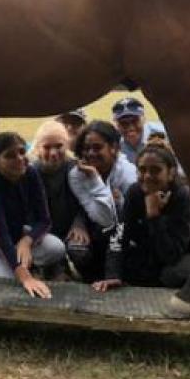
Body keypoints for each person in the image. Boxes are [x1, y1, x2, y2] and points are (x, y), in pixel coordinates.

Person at [92, 144, 190, 292]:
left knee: (171, 274)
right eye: (142, 170)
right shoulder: (135, 193)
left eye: (155, 170)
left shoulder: (182, 197)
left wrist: (154, 216)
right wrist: (113, 275)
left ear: (171, 173)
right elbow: (120, 236)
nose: (147, 176)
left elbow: (172, 254)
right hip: (150, 250)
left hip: (183, 253)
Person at [0, 132, 67, 299]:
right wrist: (25, 277)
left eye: (21, 151)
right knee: (0, 280)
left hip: (20, 236)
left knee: (57, 248)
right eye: (10, 156)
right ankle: (20, 267)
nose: (19, 158)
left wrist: (27, 241)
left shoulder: (31, 173)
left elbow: (44, 220)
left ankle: (26, 264)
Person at [30, 120, 116, 281]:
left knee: (79, 249)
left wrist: (79, 223)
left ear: (67, 145)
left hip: (70, 227)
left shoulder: (75, 169)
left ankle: (89, 276)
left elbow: (85, 201)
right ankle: (51, 267)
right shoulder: (30, 174)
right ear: (37, 148)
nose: (54, 153)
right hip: (43, 232)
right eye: (47, 147)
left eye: (59, 146)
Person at [62, 121, 137, 282]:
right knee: (77, 247)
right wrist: (96, 179)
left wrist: (116, 202)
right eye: (86, 148)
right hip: (96, 226)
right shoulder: (77, 175)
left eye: (97, 148)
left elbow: (115, 220)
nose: (90, 153)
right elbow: (103, 218)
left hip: (127, 231)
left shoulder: (128, 174)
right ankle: (90, 279)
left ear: (114, 148)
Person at [111, 97, 167, 164]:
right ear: (117, 125)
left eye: (134, 121)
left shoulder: (164, 134)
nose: (130, 127)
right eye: (124, 123)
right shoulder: (114, 143)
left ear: (143, 119)